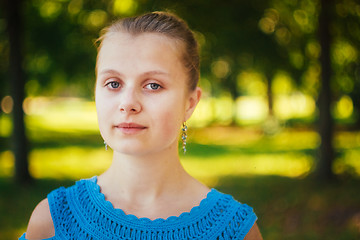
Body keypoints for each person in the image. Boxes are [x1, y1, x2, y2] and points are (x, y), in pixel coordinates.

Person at [20, 11, 262, 240]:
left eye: (153, 85)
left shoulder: (233, 230)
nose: (128, 104)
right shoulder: (54, 221)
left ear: (189, 103)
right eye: (113, 83)